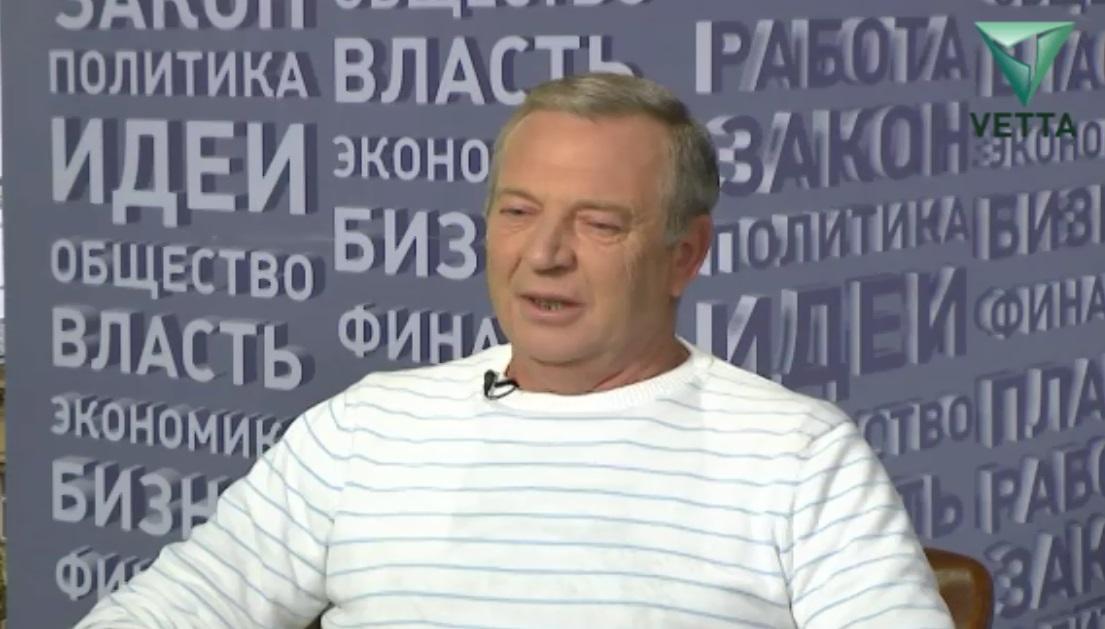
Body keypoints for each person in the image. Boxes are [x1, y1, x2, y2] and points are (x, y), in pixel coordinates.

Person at [77, 73, 954, 628]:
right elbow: (172, 608)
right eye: (518, 212)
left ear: (683, 254)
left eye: (598, 223)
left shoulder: (796, 454)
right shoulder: (365, 426)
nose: (544, 254)